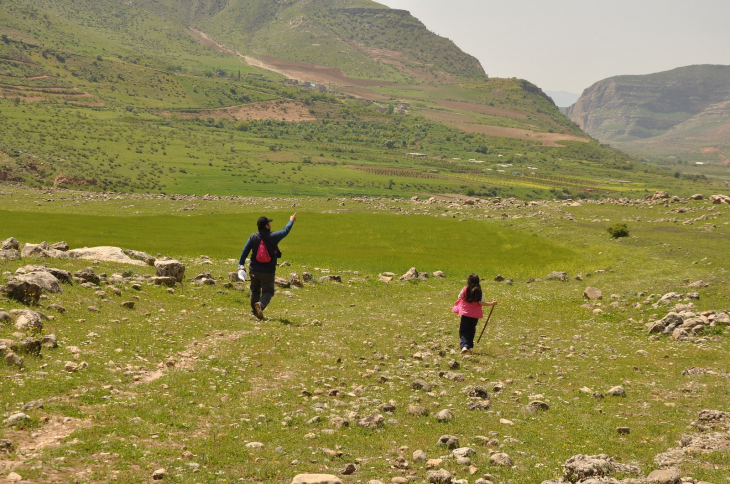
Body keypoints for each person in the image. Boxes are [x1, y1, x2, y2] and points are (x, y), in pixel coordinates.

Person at [239, 213, 296, 320]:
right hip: (268, 271)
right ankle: (260, 305)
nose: (270, 224)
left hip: (254, 269)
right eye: (268, 223)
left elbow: (245, 251)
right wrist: (291, 221)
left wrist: (240, 264)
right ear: (266, 225)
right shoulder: (273, 236)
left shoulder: (253, 237)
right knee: (268, 291)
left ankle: (254, 312)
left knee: (254, 290)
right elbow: (285, 231)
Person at [452, 274, 497, 354]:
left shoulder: (465, 289)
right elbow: (482, 302)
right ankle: (468, 346)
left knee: (463, 330)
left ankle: (464, 346)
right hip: (475, 315)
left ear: (468, 281)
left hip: (466, 314)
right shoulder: (479, 291)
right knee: (471, 330)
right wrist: (492, 303)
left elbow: (459, 296)